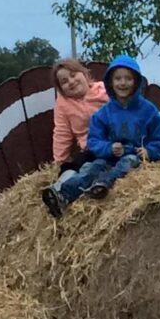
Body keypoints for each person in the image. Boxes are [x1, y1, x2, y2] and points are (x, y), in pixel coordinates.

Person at [42, 54, 160, 217]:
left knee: (127, 162)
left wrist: (149, 152)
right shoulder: (101, 113)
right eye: (118, 79)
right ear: (111, 83)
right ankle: (63, 195)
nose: (123, 83)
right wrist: (107, 148)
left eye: (128, 79)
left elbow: (159, 138)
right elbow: (74, 135)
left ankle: (102, 184)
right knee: (93, 166)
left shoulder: (147, 110)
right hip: (105, 152)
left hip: (134, 153)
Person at [41, 59, 108, 215]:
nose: (71, 82)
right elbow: (61, 133)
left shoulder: (105, 90)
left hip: (111, 141)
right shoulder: (63, 104)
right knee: (72, 167)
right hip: (89, 147)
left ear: (84, 73)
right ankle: (56, 192)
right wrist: (60, 161)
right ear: (60, 88)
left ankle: (69, 191)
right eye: (64, 81)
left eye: (73, 75)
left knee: (89, 168)